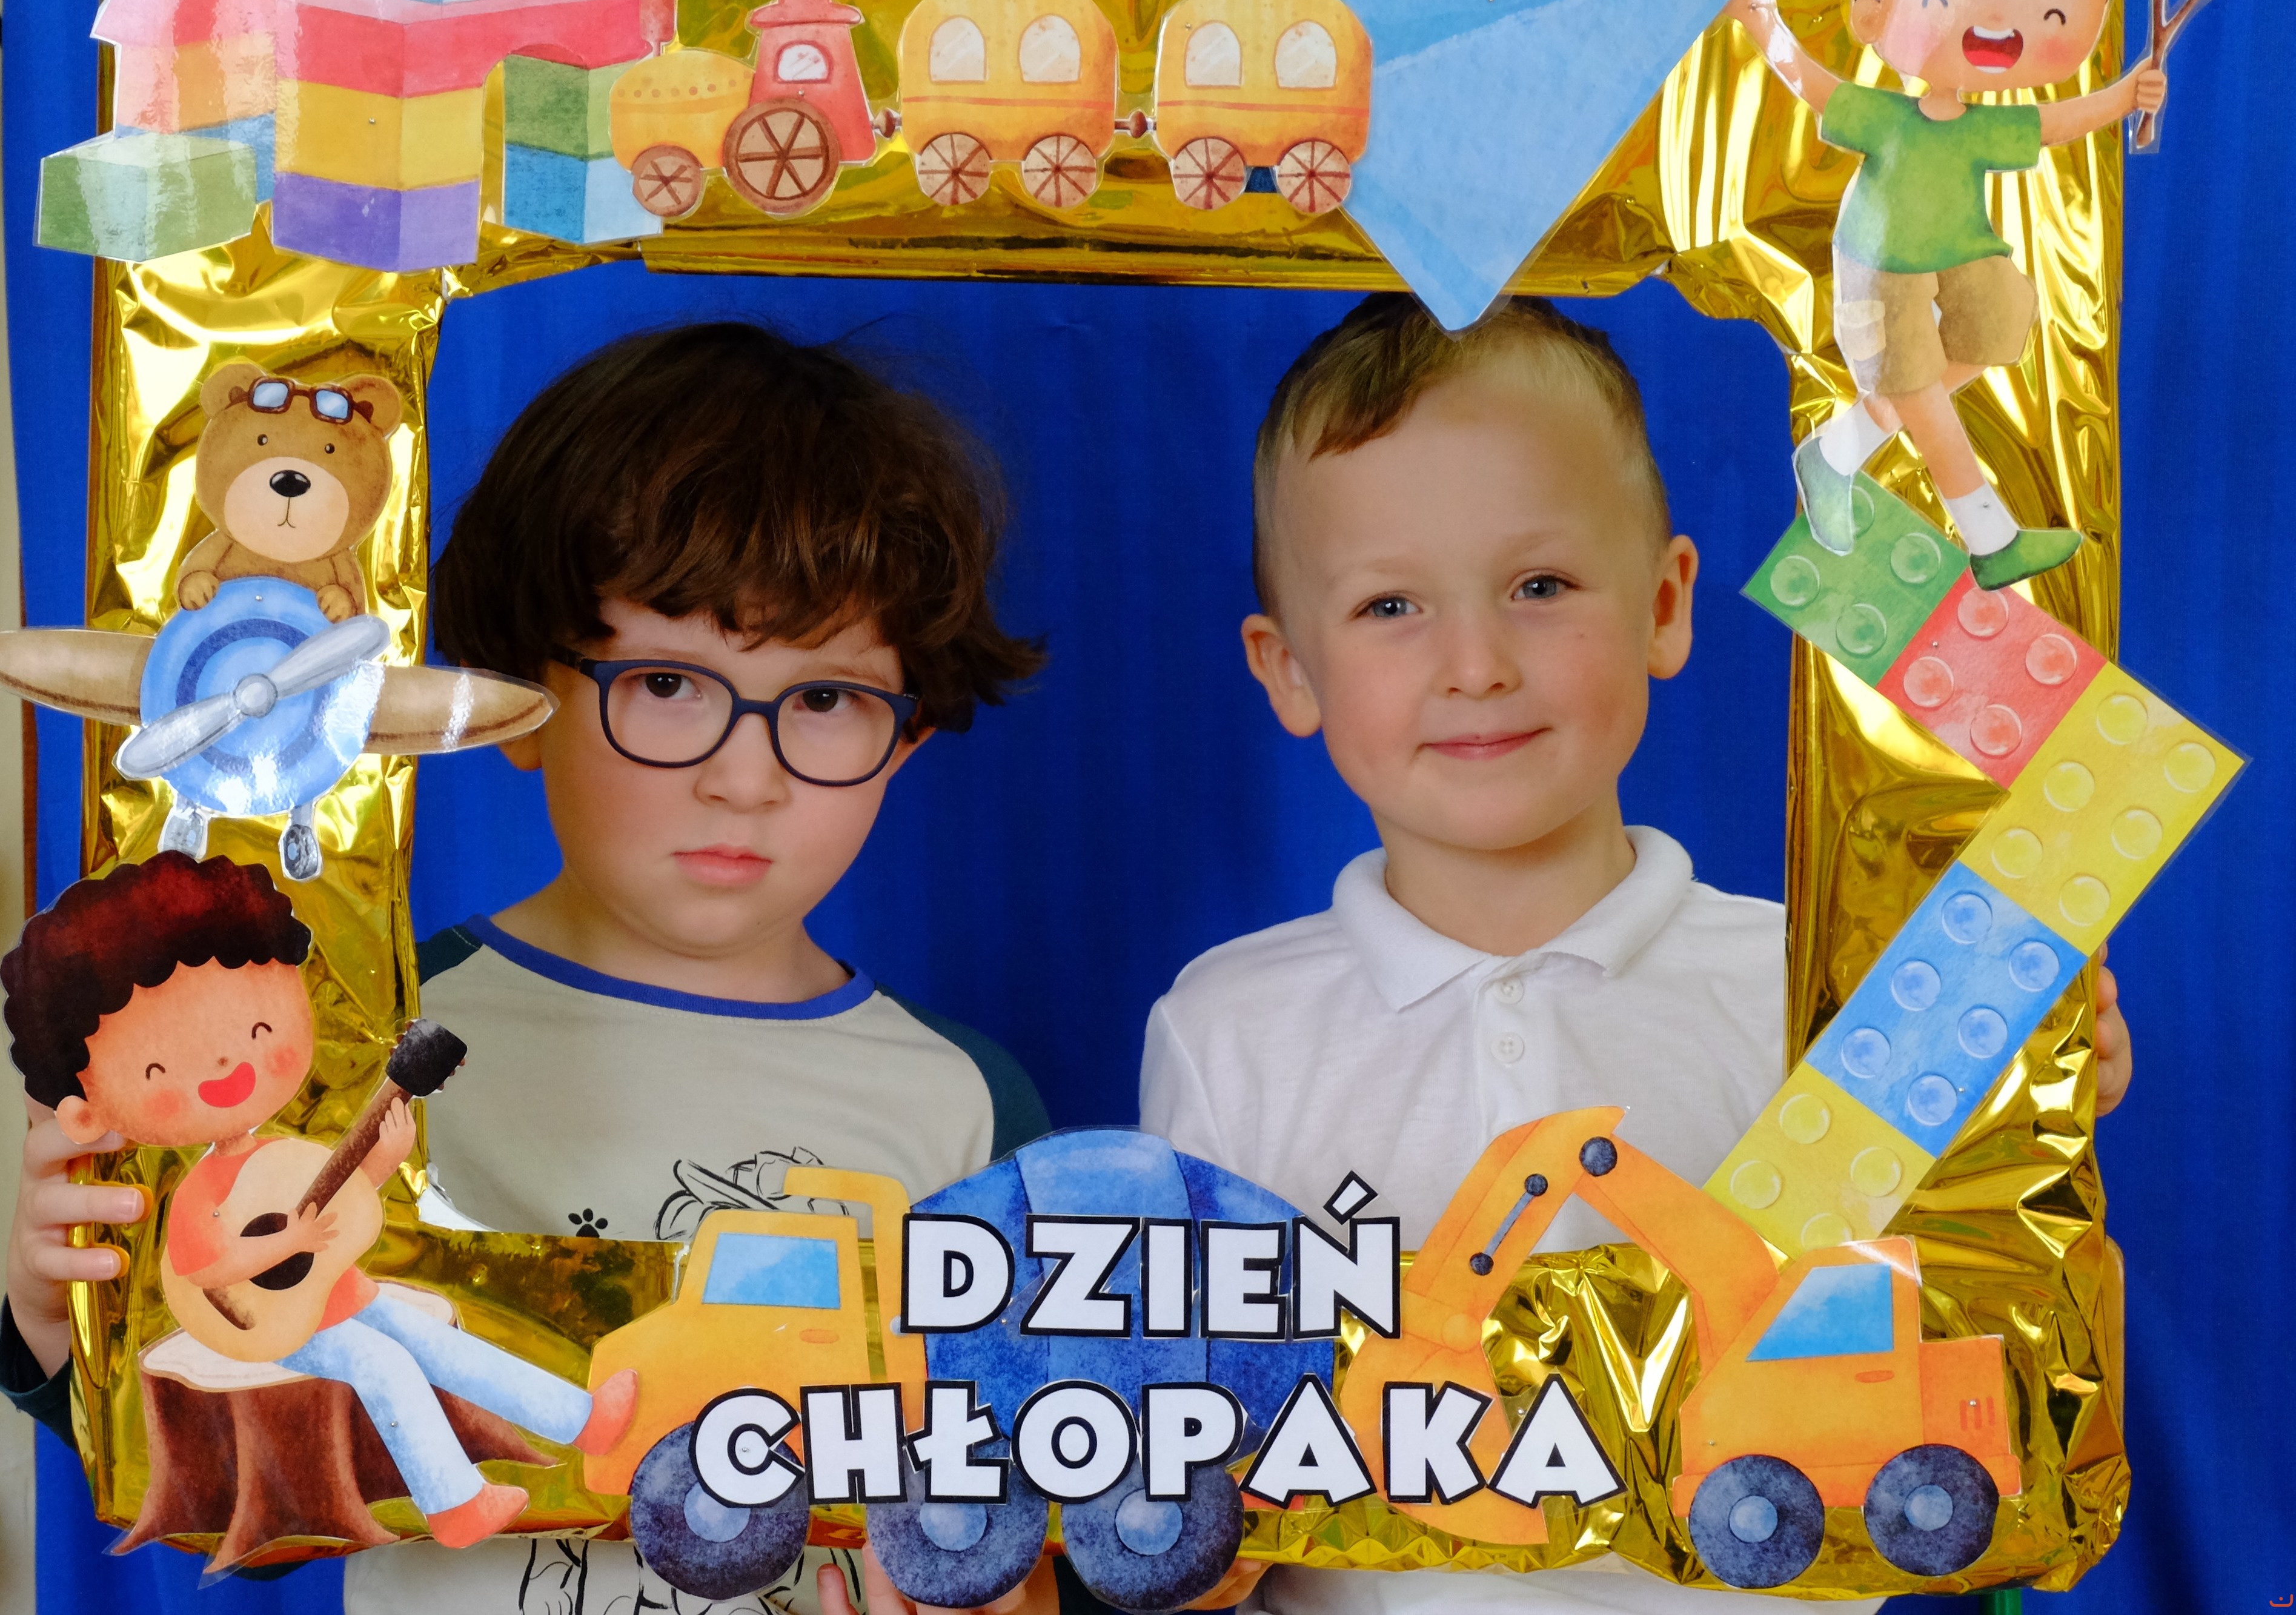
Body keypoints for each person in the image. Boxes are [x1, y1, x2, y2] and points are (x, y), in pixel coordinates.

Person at [5, 320, 1057, 1615]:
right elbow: (221, 1433)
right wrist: (63, 1322)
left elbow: (1019, 1524)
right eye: (666, 684)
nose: (746, 777)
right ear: (513, 703)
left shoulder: (971, 1107)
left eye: (826, 700)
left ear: (908, 737)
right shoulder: (347, 1043)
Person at [1139, 293, 2129, 1615]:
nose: (1475, 664)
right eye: (1390, 605)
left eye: (1539, 587)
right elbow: (1192, 1486)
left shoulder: (1834, 987)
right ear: (1289, 670)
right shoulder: (1227, 1032)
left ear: (1664, 605)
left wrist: (2037, 1099)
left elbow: (1983, 1309)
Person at [2, 851, 641, 1548]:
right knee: (385, 1366)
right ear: (86, 1113)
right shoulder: (200, 1192)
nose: (226, 1064)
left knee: (444, 1346)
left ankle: (586, 1421)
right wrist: (287, 1244)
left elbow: (341, 1203)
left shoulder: (283, 1155)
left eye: (256, 1030)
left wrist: (385, 1158)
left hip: (348, 1300)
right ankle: (456, 1504)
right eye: (159, 1067)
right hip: (276, 1331)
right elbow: (209, 1269)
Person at [1724, 0, 2166, 591]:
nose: (1996, 25)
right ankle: (1993, 538)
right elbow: (1812, 84)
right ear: (1873, 12)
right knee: (1918, 391)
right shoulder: (1886, 119)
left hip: (1961, 252)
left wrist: (2126, 95)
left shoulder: (1980, 127)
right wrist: (1762, 24)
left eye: (2051, 13)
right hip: (1880, 260)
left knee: (1999, 318)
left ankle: (1835, 454)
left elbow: (2053, 123)